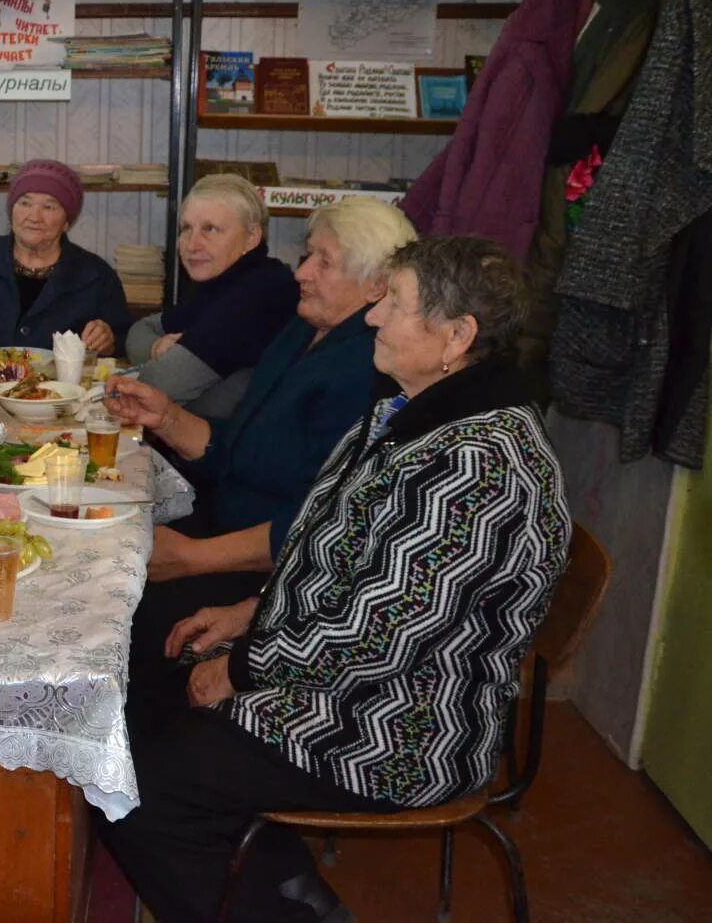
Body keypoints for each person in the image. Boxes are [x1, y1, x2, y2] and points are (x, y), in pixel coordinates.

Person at [97, 235, 570, 923]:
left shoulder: (478, 467)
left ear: (456, 335)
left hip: (404, 727)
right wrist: (249, 611)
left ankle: (282, 907)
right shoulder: (414, 409)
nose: (373, 317)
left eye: (396, 304)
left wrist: (245, 666)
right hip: (346, 680)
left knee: (134, 782)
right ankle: (283, 883)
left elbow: (380, 636)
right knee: (142, 685)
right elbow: (335, 551)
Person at [106, 197, 416, 688]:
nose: (302, 273)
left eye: (324, 262)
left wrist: (190, 557)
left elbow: (325, 520)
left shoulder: (368, 369)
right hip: (223, 525)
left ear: (377, 285)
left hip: (274, 575)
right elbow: (242, 448)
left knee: (124, 623)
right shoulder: (303, 330)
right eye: (307, 255)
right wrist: (164, 417)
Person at [124, 174, 298, 418]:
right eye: (186, 228)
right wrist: (156, 348)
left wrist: (170, 365)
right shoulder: (220, 280)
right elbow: (140, 329)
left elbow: (157, 384)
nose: (192, 244)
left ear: (252, 237)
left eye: (210, 229)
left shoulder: (260, 291)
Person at [0, 159, 133, 353]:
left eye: (48, 207)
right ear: (12, 211)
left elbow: (123, 340)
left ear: (67, 221)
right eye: (25, 203)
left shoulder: (96, 275)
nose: (34, 217)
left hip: (61, 387)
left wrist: (108, 341)